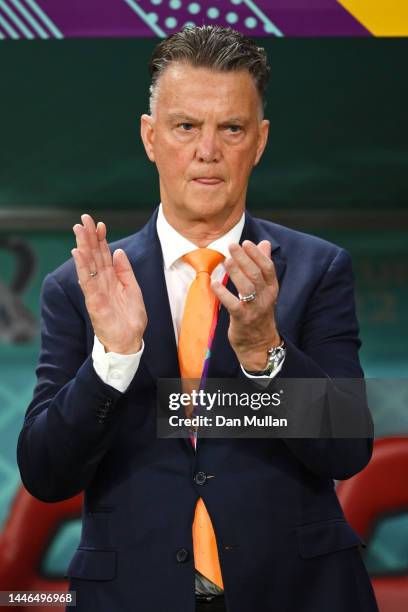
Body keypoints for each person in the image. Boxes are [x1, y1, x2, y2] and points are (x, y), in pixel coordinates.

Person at [17, 26, 378, 612]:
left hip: (296, 592)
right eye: (186, 126)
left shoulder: (317, 269)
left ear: (258, 142)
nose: (208, 150)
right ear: (150, 136)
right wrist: (113, 360)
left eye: (230, 129)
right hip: (134, 595)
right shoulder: (81, 287)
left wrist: (267, 353)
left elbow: (348, 452)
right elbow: (46, 473)